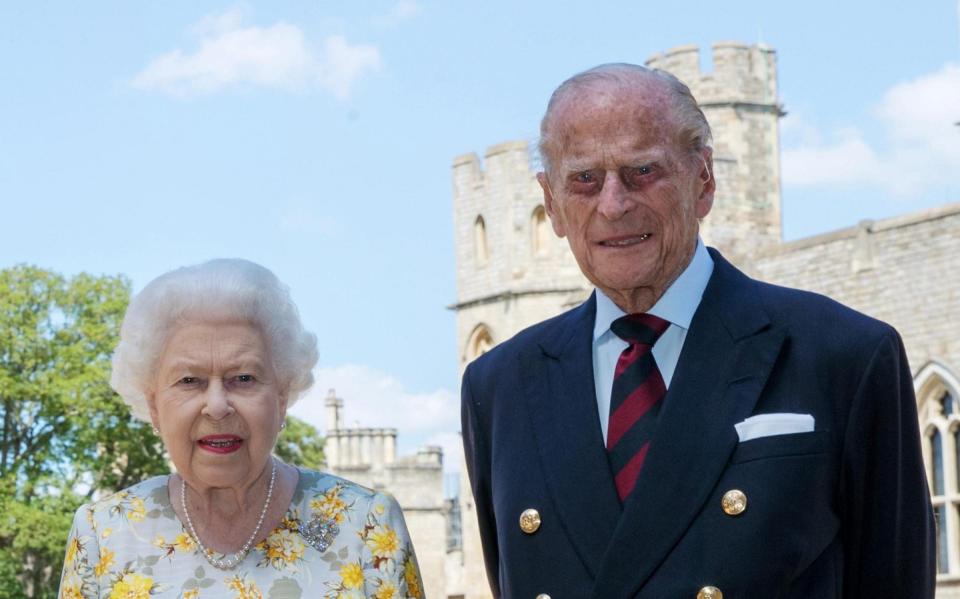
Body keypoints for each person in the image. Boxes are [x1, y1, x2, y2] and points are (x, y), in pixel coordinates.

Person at [460, 64, 935, 598]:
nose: (613, 205)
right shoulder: (498, 386)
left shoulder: (844, 355)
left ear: (703, 182)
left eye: (642, 171)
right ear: (552, 204)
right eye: (584, 180)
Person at [59, 259, 423, 598]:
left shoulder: (366, 525)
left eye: (243, 378)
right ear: (154, 406)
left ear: (281, 397)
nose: (217, 406)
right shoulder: (102, 533)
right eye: (189, 380)